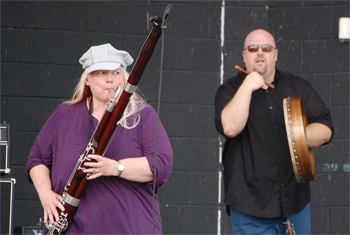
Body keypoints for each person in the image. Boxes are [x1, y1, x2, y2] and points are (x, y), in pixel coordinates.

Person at [26, 43, 173, 234]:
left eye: (116, 73)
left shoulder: (142, 115)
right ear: (87, 79)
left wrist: (115, 168)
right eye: (102, 73)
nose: (110, 80)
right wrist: (46, 194)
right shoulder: (64, 115)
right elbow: (37, 160)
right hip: (75, 228)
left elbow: (161, 165)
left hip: (130, 228)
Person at [214, 29, 333, 234]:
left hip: (295, 205)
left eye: (266, 48)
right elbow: (230, 128)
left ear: (275, 54)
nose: (260, 52)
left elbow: (326, 127)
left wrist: (300, 136)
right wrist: (248, 86)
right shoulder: (230, 90)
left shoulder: (297, 87)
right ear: (244, 55)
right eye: (253, 48)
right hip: (250, 208)